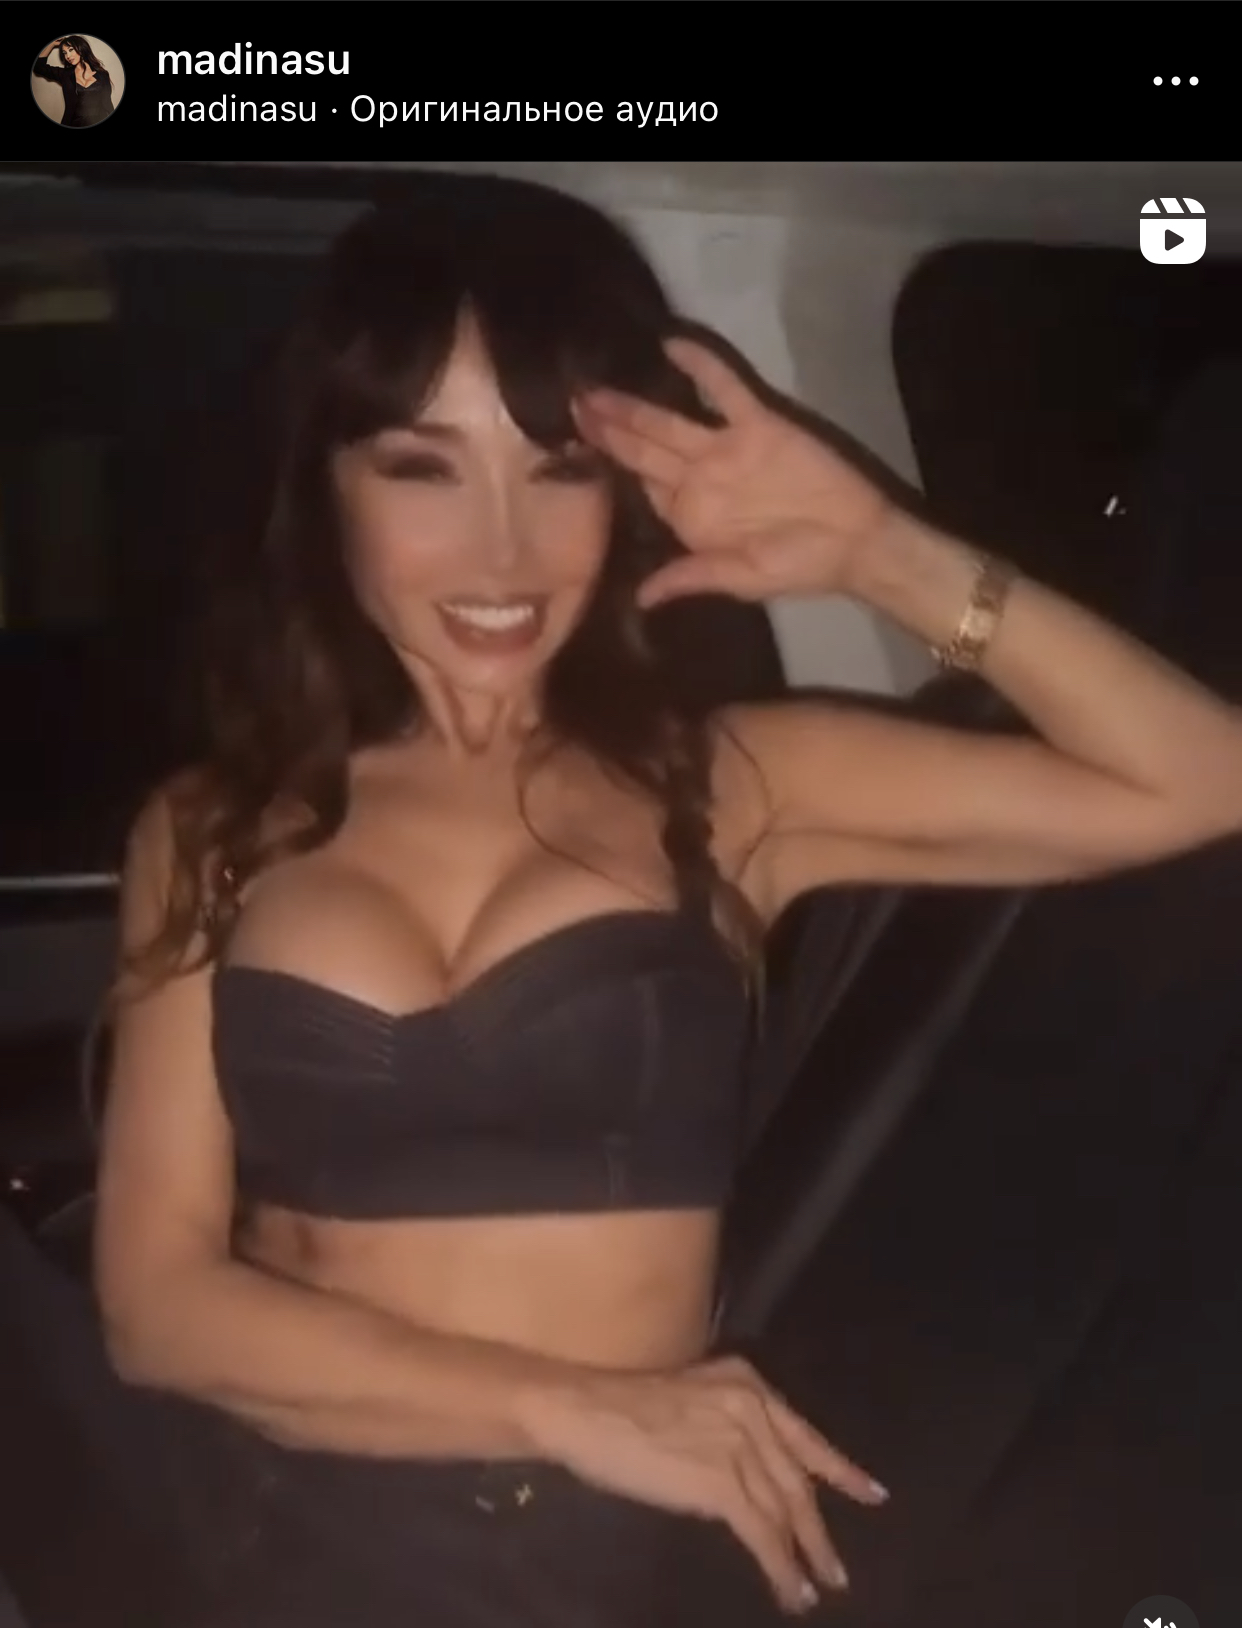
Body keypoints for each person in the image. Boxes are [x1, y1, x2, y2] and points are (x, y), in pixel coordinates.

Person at [93, 176, 1242, 1628]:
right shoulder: (212, 829)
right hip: (306, 1539)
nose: (501, 552)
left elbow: (1205, 781)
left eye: (559, 471)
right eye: (422, 468)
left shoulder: (730, 785)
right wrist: (568, 1406)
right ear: (327, 490)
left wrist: (875, 553)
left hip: (640, 1546)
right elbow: (155, 1306)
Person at [32, 36, 115, 128]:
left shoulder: (102, 75)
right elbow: (38, 67)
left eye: (71, 50)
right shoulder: (65, 74)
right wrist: (51, 44)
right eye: (64, 53)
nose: (67, 56)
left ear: (81, 49)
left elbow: (107, 104)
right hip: (73, 124)